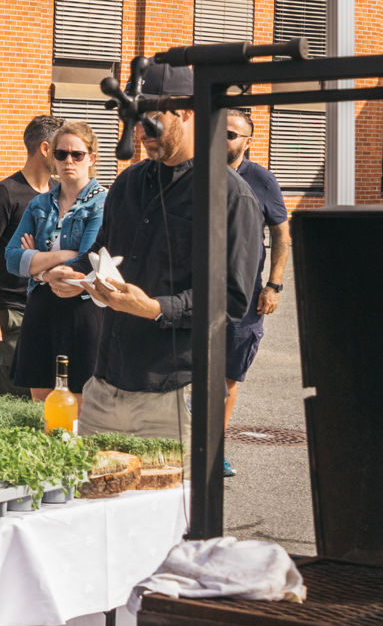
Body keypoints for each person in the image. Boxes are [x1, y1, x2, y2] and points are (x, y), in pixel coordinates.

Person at [43, 62, 261, 439]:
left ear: (188, 111)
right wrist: (74, 273)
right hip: (106, 385)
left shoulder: (231, 196)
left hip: (175, 394)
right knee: (89, 495)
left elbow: (232, 298)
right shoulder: (128, 183)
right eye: (134, 118)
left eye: (150, 117)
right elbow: (103, 251)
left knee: (169, 499)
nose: (140, 131)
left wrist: (156, 309)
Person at [6, 122, 107, 398]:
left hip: (82, 309)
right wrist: (63, 256)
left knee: (78, 400)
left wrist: (37, 262)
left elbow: (86, 260)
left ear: (92, 158)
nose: (68, 161)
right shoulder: (39, 204)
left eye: (77, 154)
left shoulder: (102, 203)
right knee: (42, 400)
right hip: (41, 305)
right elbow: (12, 258)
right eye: (61, 154)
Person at [0, 114, 62, 396]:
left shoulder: (58, 195)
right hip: (12, 314)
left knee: (51, 397)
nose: (67, 157)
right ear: (45, 149)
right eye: (61, 150)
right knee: (18, 400)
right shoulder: (4, 193)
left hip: (49, 308)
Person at [223, 109, 292, 449]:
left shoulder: (261, 180)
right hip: (192, 290)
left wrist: (274, 285)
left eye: (231, 134)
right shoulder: (193, 173)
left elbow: (281, 235)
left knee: (228, 376)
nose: (223, 139)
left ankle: (213, 448)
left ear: (248, 142)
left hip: (244, 294)